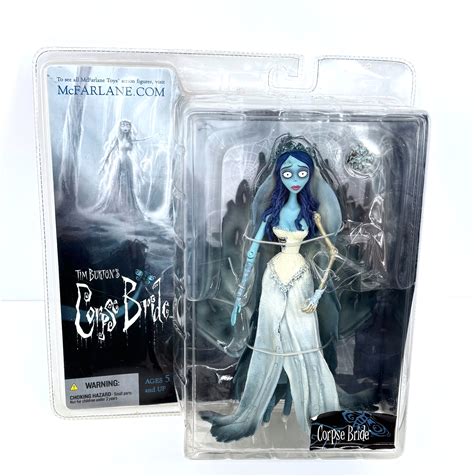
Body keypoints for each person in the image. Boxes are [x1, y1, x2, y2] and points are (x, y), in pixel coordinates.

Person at [201, 134, 341, 443]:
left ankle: (315, 411)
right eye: (288, 173)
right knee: (268, 333)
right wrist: (240, 294)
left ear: (310, 175)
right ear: (279, 175)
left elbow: (332, 252)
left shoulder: (312, 214)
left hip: (301, 276)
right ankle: (252, 407)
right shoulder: (271, 214)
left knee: (304, 337)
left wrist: (319, 293)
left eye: (302, 173)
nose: (295, 179)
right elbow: (252, 251)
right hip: (273, 275)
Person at [95, 120, 143, 216]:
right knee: (117, 182)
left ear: (130, 128)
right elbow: (110, 151)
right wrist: (103, 164)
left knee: (127, 183)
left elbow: (136, 144)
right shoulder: (118, 138)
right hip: (119, 161)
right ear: (120, 127)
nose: (125, 127)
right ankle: (117, 206)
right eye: (123, 125)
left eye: (127, 126)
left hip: (128, 162)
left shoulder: (130, 139)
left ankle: (127, 206)